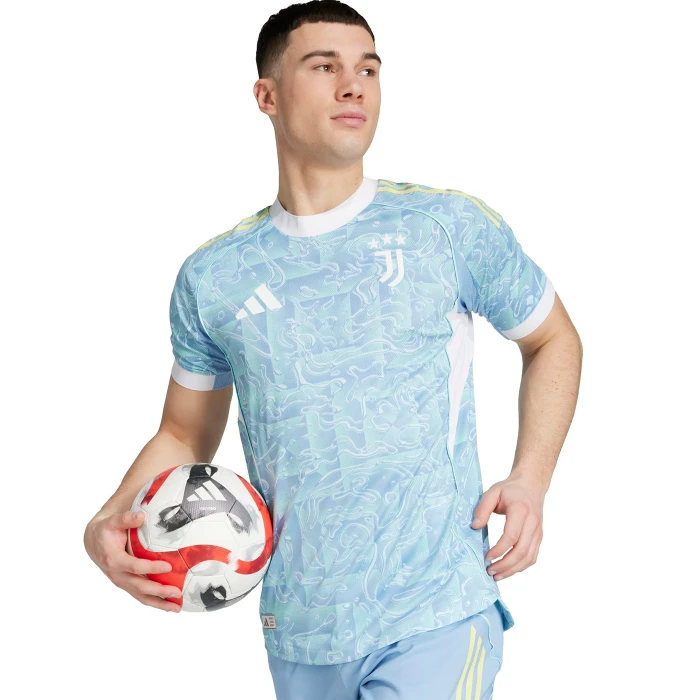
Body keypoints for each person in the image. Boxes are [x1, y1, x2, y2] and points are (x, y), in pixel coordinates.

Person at [84, 1, 583, 697]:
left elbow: (553, 337)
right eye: (324, 67)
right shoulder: (214, 275)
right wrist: (105, 522)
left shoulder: (445, 226)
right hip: (299, 630)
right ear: (267, 96)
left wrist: (530, 479)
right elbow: (183, 433)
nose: (354, 86)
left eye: (368, 69)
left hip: (436, 611)